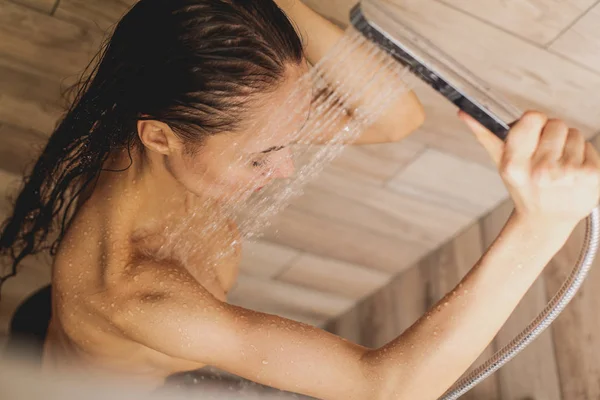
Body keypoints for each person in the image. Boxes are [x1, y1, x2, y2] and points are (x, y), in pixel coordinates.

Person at [0, 0, 598, 399]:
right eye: (261, 156)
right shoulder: (133, 292)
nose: (285, 167)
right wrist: (542, 227)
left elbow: (394, 118)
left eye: (284, 141)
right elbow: (384, 388)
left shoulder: (176, 126)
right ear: (160, 134)